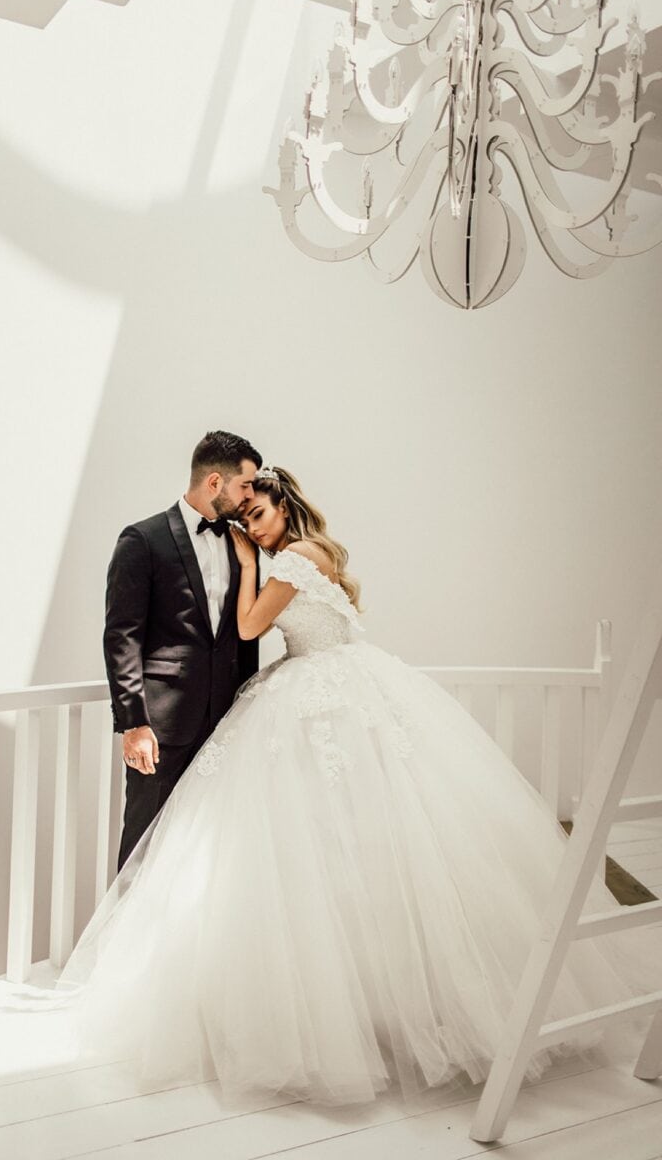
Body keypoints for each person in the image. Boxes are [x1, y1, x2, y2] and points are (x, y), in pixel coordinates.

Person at [62, 465, 660, 1107]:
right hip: (350, 682)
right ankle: (382, 1000)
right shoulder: (315, 551)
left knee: (323, 841)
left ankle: (362, 1010)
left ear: (283, 507)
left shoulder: (290, 558)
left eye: (258, 516)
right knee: (357, 840)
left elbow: (245, 629)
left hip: (318, 692)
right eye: (246, 522)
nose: (254, 530)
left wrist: (245, 560)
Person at [103, 429, 261, 870]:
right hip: (162, 729)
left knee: (212, 851)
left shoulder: (242, 545)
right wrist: (133, 723)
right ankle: (124, 939)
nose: (251, 496)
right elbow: (122, 635)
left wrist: (245, 711)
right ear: (215, 482)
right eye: (245, 485)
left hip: (224, 726)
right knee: (144, 847)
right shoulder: (143, 540)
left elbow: (243, 637)